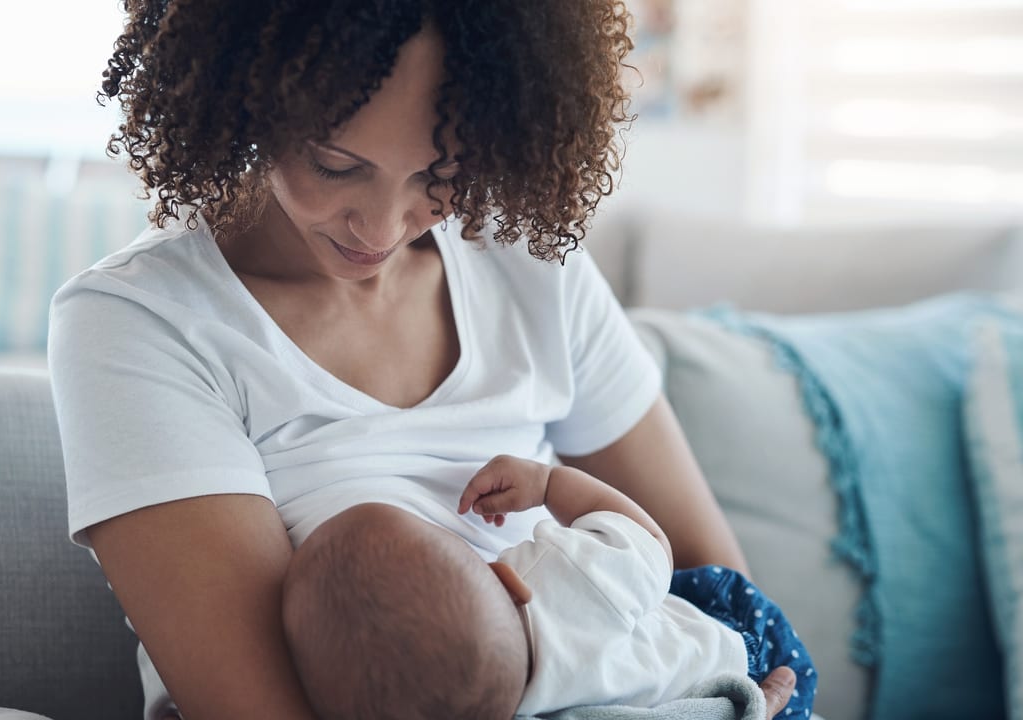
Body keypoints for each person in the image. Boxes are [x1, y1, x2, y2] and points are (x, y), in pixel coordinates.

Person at [47, 2, 798, 719]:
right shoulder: (140, 323)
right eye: (335, 164)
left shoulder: (529, 266)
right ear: (246, 95)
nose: (379, 228)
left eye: (439, 175)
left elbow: (724, 596)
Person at [282, 456, 817, 720]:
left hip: (703, 700)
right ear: (506, 578)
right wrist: (549, 484)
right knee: (686, 589)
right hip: (742, 645)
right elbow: (651, 543)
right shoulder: (561, 575)